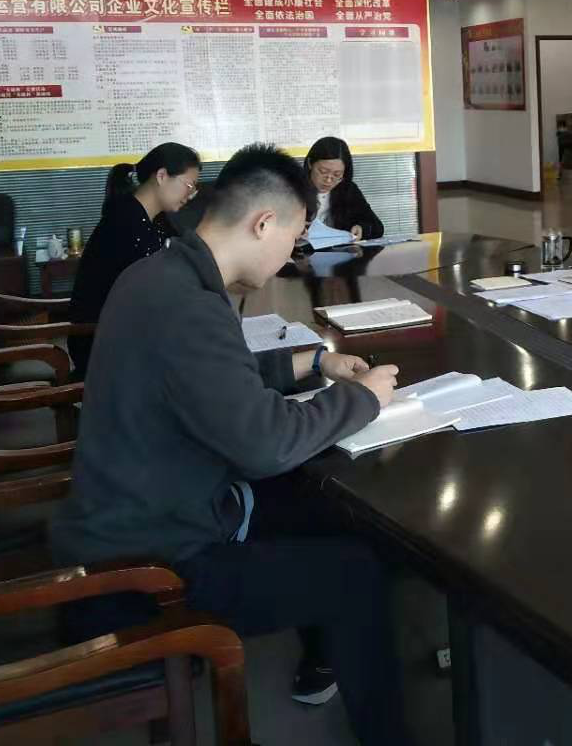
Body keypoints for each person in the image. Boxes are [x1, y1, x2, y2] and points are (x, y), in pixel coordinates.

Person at [51, 143, 410, 745]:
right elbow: (266, 443)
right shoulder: (188, 303)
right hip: (152, 560)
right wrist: (364, 399)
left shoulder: (165, 273)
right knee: (354, 572)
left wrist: (312, 363)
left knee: (327, 512)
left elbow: (212, 377)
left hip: (147, 509)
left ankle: (327, 652)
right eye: (292, 237)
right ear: (263, 223)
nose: (290, 253)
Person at [68, 141, 200, 378]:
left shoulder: (151, 219)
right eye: (188, 185)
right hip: (103, 340)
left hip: (129, 326)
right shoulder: (124, 221)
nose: (190, 195)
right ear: (162, 176)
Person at [304, 136, 384, 239]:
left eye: (337, 175)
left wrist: (361, 229)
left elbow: (377, 227)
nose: (328, 180)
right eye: (323, 171)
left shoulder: (348, 190)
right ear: (310, 163)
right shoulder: (292, 189)